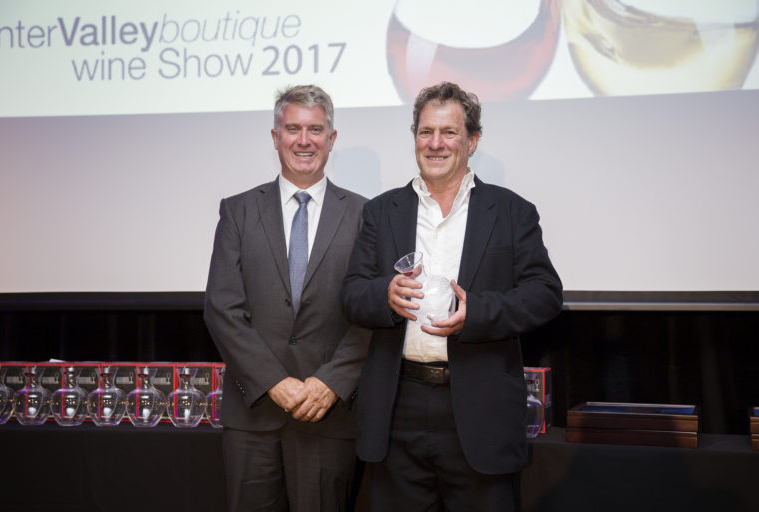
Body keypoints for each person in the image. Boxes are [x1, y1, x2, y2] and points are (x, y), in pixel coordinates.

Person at [341, 82, 562, 511]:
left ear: (472, 141)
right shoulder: (381, 211)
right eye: (426, 132)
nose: (435, 143)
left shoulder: (512, 212)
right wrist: (384, 294)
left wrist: (477, 312)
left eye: (449, 132)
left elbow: (545, 294)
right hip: (397, 410)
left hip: (481, 412)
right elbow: (351, 293)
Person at [204, 84, 370, 512]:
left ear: (331, 138)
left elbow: (371, 316)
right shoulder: (238, 211)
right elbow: (222, 309)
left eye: (315, 129)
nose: (304, 140)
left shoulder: (365, 215)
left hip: (328, 414)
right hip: (253, 416)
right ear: (275, 136)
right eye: (293, 129)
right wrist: (274, 382)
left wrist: (331, 383)